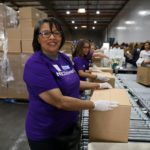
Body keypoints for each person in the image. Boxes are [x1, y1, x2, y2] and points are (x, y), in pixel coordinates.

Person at [23, 18, 119, 150]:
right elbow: (59, 101)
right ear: (38, 38)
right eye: (46, 33)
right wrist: (93, 105)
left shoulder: (64, 58)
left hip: (69, 127)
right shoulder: (35, 64)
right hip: (47, 135)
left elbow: (72, 82)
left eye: (56, 33)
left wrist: (97, 85)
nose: (52, 37)